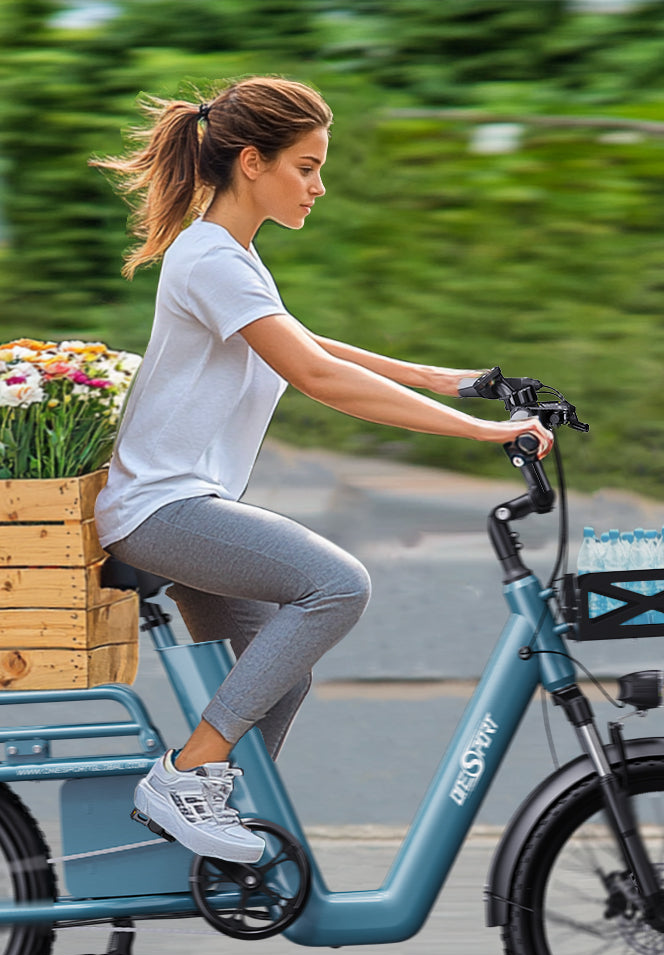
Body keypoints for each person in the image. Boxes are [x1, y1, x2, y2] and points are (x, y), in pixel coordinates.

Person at [91, 76, 552, 864]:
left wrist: (446, 379)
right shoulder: (212, 260)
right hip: (160, 511)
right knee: (338, 586)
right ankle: (187, 777)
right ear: (250, 163)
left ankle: (204, 834)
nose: (318, 185)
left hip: (184, 506)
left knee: (281, 673)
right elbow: (317, 376)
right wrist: (478, 433)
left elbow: (312, 344)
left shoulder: (228, 256)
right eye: (305, 166)